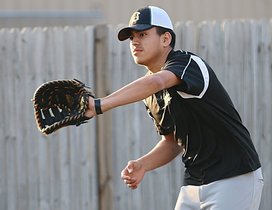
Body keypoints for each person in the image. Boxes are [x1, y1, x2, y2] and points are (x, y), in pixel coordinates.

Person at [84, 5, 264, 210]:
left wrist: (99, 105)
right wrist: (143, 164)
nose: (134, 41)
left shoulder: (188, 63)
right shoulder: (149, 92)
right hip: (194, 184)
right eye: (132, 36)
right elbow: (172, 142)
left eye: (142, 34)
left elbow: (157, 82)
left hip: (234, 177)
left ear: (165, 39)